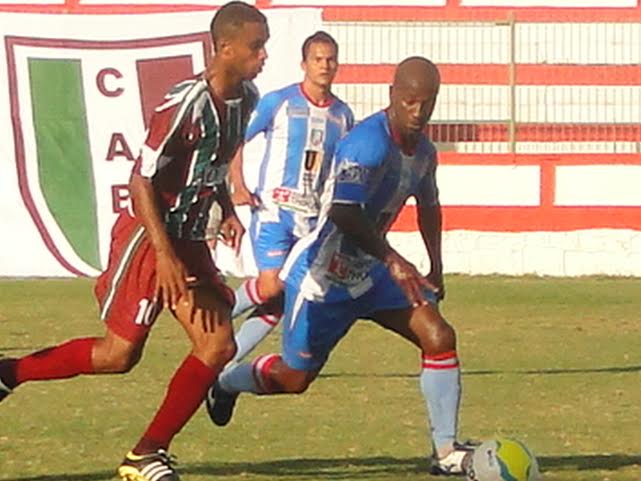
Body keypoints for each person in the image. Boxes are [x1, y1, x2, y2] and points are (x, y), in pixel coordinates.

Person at [0, 2, 268, 480]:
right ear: (224, 48)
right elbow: (141, 180)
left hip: (187, 238)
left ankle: (146, 454)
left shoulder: (246, 98)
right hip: (150, 236)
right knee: (118, 355)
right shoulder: (184, 103)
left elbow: (213, 164)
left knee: (218, 344)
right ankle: (9, 373)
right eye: (255, 46)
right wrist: (163, 256)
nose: (263, 55)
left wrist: (226, 209)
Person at [208, 56, 474, 476]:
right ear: (392, 95)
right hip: (321, 277)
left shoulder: (424, 152)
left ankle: (446, 453)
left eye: (428, 102)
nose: (419, 112)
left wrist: (435, 266)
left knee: (439, 336)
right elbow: (344, 213)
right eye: (410, 101)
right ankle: (225, 382)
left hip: (371, 274)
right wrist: (395, 258)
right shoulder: (367, 142)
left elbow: (429, 205)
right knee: (294, 379)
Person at [218, 31, 354, 366]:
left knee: (279, 298)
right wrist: (238, 183)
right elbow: (236, 139)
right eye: (317, 59)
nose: (324, 65)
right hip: (274, 211)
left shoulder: (343, 115)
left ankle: (222, 358)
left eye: (330, 59)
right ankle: (215, 320)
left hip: (311, 222)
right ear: (303, 64)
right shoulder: (278, 102)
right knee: (270, 286)